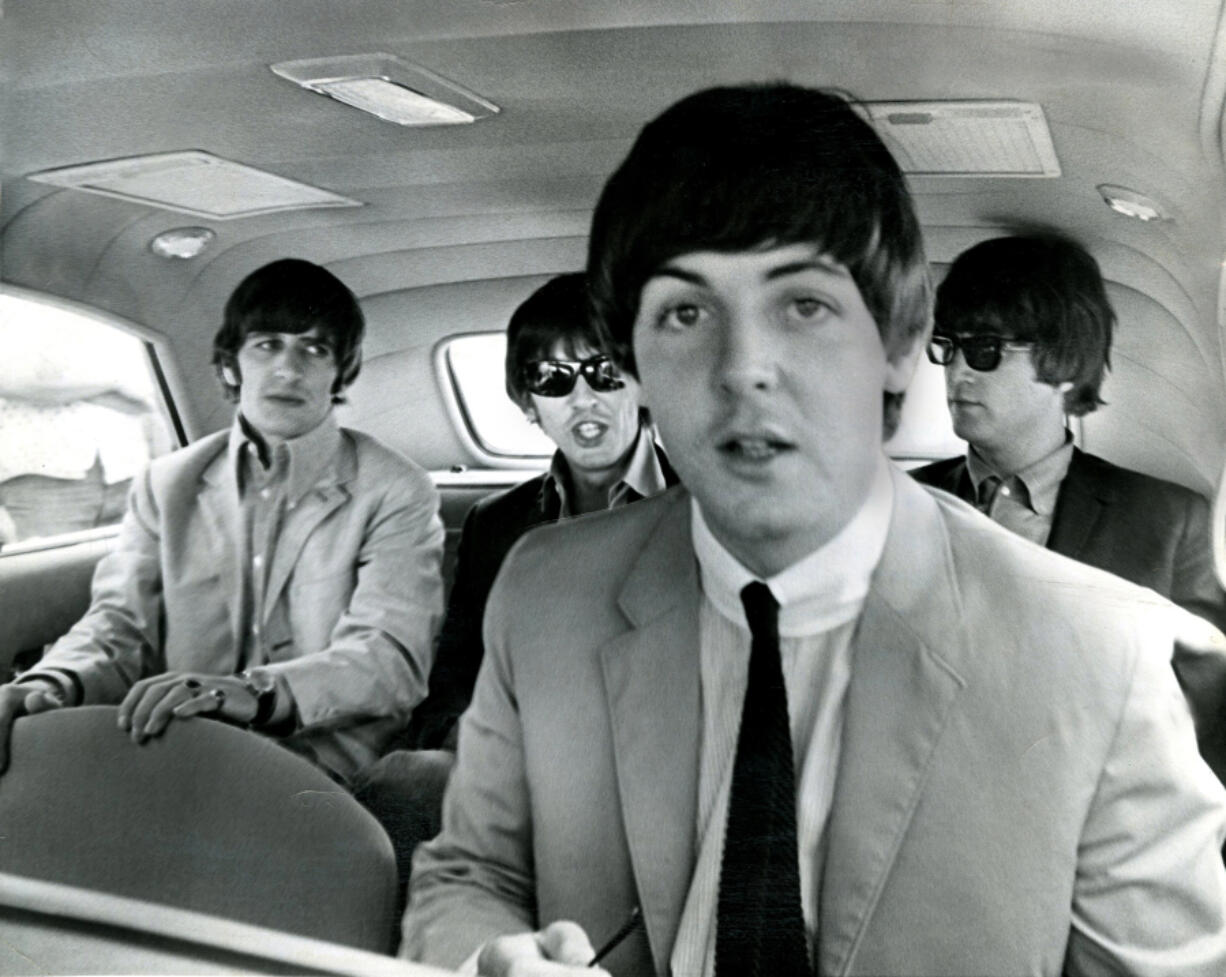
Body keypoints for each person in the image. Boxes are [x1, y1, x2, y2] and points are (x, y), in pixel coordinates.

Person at [402, 84, 1226, 977]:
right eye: (686, 313)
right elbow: (467, 873)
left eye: (804, 306)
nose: (745, 369)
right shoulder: (543, 591)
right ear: (636, 365)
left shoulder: (1098, 651)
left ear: (901, 346)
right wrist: (492, 956)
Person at [0, 258, 445, 785]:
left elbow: (389, 657)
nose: (288, 369)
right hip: (173, 752)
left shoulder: (394, 489)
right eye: (267, 344)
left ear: (341, 372)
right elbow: (118, 626)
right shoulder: (167, 484)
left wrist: (254, 692)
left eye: (315, 349)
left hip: (325, 770)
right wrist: (54, 683)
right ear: (230, 365)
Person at [353, 272, 676, 894]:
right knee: (401, 780)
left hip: (659, 781)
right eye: (553, 380)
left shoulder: (711, 506)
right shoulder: (496, 524)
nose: (584, 400)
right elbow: (449, 685)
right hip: (520, 780)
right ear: (528, 403)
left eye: (605, 371)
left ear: (642, 382)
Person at [911, 234, 1226, 634]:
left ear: (1065, 360)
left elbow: (1201, 688)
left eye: (984, 350)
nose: (956, 372)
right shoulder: (896, 505)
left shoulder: (1169, 524)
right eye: (948, 347)